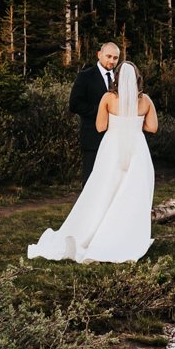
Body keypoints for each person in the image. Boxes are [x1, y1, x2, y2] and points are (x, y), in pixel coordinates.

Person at [27, 47, 158, 263]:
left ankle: (96, 230)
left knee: (104, 189)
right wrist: (135, 122)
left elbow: (100, 127)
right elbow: (152, 128)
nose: (112, 60)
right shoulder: (146, 101)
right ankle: (126, 235)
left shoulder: (108, 98)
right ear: (137, 78)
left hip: (112, 148)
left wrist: (116, 119)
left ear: (117, 77)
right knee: (132, 192)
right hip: (137, 150)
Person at [67, 41, 120, 177]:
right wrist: (102, 111)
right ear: (99, 55)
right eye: (108, 56)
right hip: (93, 137)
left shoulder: (120, 78)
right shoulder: (85, 76)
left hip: (116, 138)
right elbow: (74, 104)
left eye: (115, 58)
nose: (112, 61)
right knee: (91, 179)